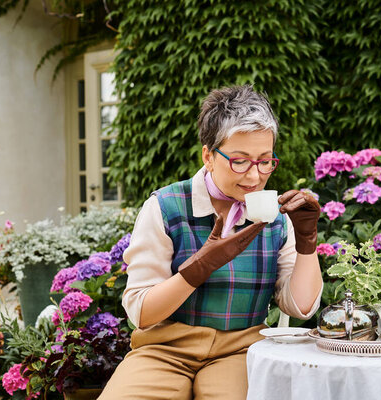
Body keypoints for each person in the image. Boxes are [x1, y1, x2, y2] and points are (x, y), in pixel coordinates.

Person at [99, 84, 324, 400]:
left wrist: (306, 241)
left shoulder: (276, 216)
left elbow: (300, 306)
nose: (255, 176)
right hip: (164, 349)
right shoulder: (165, 207)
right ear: (208, 155)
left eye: (265, 160)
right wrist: (196, 271)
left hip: (240, 348)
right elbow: (141, 313)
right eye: (240, 160)